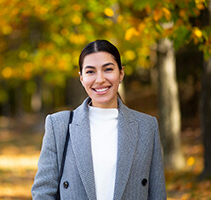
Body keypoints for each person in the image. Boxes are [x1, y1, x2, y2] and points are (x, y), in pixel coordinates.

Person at [31, 39, 166, 200]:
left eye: (108, 69)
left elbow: (157, 194)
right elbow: (43, 193)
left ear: (121, 73)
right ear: (81, 78)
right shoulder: (59, 125)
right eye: (90, 72)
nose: (100, 79)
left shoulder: (147, 126)